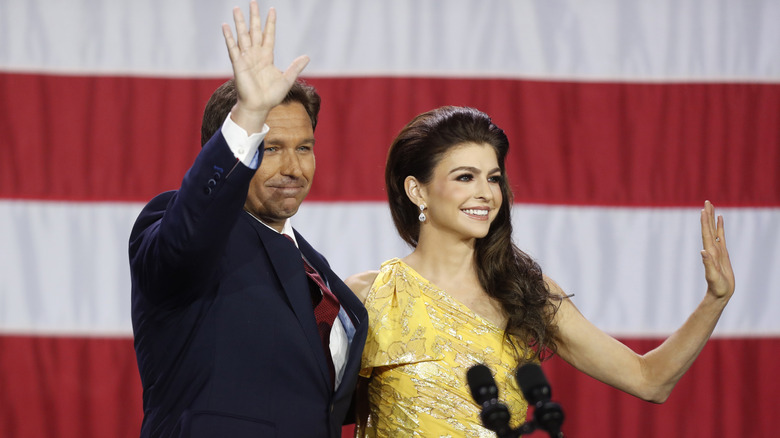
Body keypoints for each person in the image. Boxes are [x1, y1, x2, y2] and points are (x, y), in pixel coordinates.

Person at [346, 106, 734, 437]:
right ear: (418, 191)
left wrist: (715, 300)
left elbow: (649, 380)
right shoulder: (370, 296)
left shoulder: (523, 290)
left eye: (493, 177)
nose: (486, 193)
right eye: (465, 177)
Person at [128, 3, 367, 437]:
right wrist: (248, 115)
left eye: (305, 148)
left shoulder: (317, 271)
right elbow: (187, 237)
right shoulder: (178, 227)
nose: (293, 167)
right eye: (270, 148)